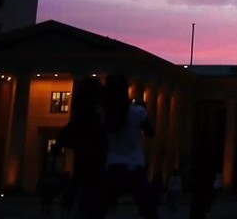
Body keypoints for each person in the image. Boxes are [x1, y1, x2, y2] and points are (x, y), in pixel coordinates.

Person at [95, 74, 159, 219]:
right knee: (148, 210)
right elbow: (151, 133)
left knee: (99, 208)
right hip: (134, 165)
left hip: (113, 165)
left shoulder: (104, 112)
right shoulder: (136, 112)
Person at [54, 75, 106, 219]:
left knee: (86, 204)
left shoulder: (90, 112)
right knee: (87, 203)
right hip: (91, 167)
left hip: (91, 167)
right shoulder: (89, 113)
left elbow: (68, 133)